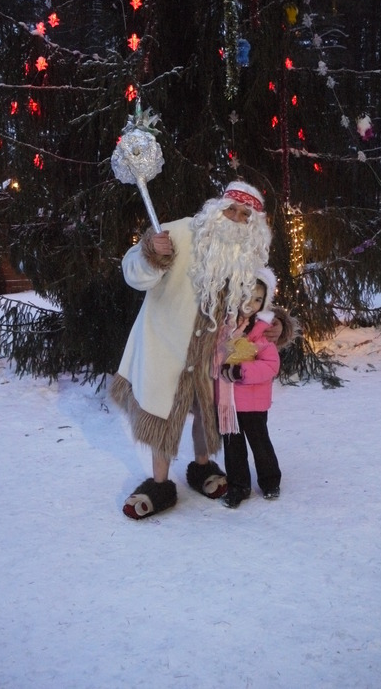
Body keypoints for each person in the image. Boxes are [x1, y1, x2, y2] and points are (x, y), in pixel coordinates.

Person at [111, 181, 296, 519]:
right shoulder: (180, 232)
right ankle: (159, 482)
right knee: (162, 415)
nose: (236, 219)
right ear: (217, 207)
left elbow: (258, 302)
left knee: (207, 416)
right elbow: (133, 274)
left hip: (214, 354)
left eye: (245, 215)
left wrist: (275, 324)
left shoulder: (248, 256)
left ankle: (202, 467)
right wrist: (151, 253)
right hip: (165, 344)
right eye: (231, 209)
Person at [214, 268, 283, 509]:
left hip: (253, 402)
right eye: (247, 296)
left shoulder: (263, 331)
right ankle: (238, 486)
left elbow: (270, 365)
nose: (251, 304)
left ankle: (270, 480)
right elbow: (213, 357)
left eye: (258, 299)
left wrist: (240, 371)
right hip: (228, 403)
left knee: (259, 442)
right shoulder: (224, 328)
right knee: (233, 448)